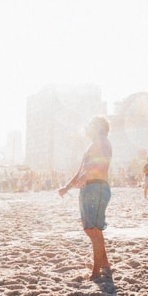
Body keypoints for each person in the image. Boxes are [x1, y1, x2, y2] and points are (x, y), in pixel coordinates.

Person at [58, 116, 112, 281]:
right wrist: (67, 187)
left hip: (97, 187)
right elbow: (81, 169)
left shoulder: (102, 142)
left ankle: (96, 271)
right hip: (88, 188)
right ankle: (104, 264)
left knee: (94, 230)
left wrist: (85, 177)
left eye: (89, 125)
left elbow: (99, 166)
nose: (86, 128)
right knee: (91, 229)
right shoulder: (92, 145)